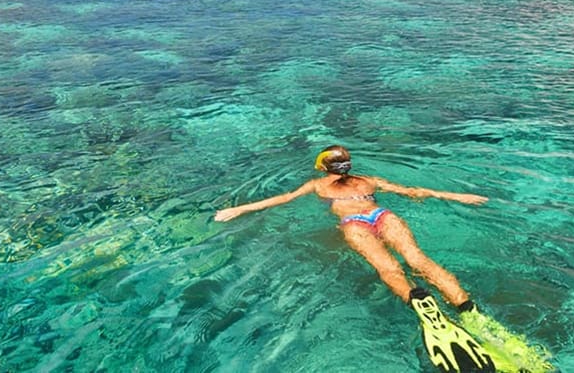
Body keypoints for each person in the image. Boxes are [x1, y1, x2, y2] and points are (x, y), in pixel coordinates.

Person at [214, 144, 501, 373]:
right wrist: (456, 195)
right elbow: (413, 192)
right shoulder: (369, 181)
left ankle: (417, 300)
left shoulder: (317, 185)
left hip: (354, 223)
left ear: (325, 167)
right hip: (383, 216)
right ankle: (465, 306)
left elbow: (283, 199)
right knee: (419, 260)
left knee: (388, 269)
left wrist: (239, 210)